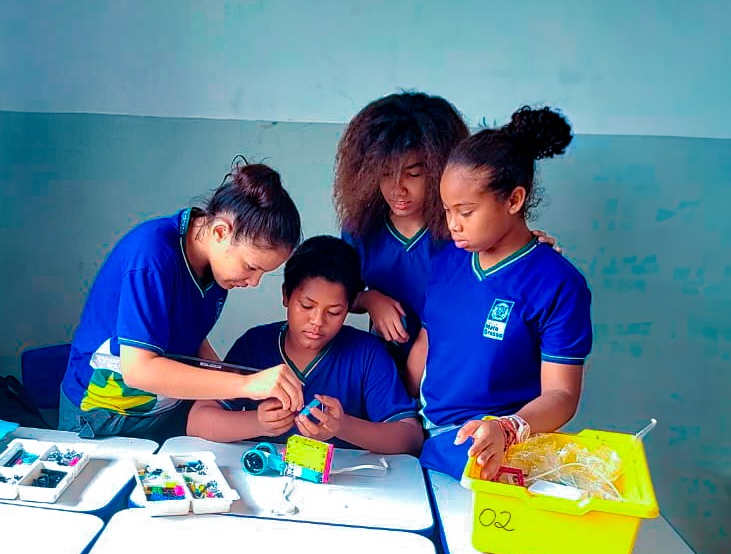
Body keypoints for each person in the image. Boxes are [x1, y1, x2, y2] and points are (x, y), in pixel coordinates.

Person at [406, 106, 593, 481]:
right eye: (447, 210)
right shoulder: (447, 262)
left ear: (513, 200)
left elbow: (561, 396)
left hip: (492, 449)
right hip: (424, 442)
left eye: (466, 211)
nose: (453, 224)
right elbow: (429, 343)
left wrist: (508, 427)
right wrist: (395, 414)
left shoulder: (557, 283)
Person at [59, 162, 305, 443]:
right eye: (251, 267)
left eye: (263, 272)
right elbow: (139, 370)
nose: (254, 281)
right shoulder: (152, 255)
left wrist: (241, 385)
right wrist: (246, 384)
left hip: (165, 412)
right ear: (220, 232)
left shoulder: (216, 269)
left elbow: (190, 340)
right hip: (103, 417)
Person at [334, 92, 556, 368]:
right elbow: (337, 295)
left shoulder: (465, 233)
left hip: (455, 370)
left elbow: (508, 270)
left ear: (442, 170)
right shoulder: (361, 229)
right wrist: (370, 299)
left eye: (413, 174)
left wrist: (533, 251)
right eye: (385, 174)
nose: (397, 188)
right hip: (385, 368)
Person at [187, 235, 424, 455]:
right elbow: (198, 422)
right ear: (286, 296)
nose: (317, 322)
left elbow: (410, 438)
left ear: (350, 308)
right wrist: (257, 422)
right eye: (306, 306)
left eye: (333, 312)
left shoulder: (367, 354)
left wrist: (342, 426)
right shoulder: (255, 345)